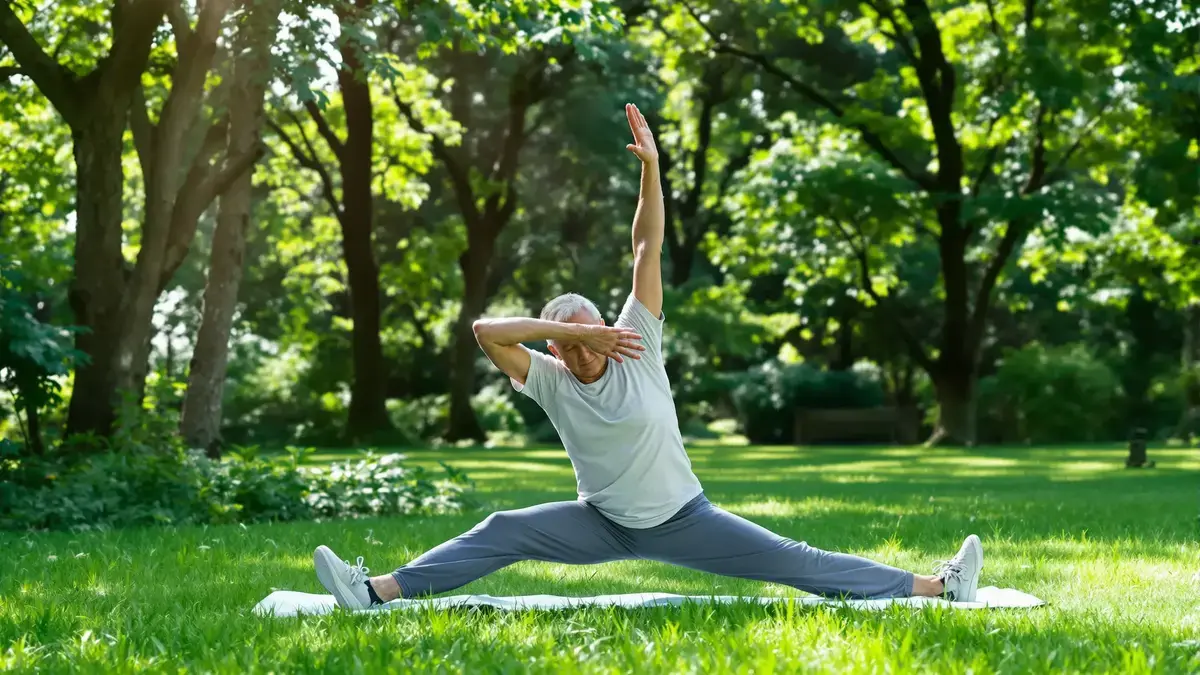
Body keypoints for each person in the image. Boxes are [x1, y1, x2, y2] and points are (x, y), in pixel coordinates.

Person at [312, 103, 984, 610]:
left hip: (685, 518)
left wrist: (652, 170)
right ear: (553, 347)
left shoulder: (638, 339)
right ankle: (373, 590)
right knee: (502, 527)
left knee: (797, 561)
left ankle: (936, 585)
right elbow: (486, 330)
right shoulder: (547, 378)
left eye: (590, 336)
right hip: (598, 523)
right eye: (569, 345)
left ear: (608, 327)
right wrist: (570, 337)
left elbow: (644, 249)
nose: (582, 353)